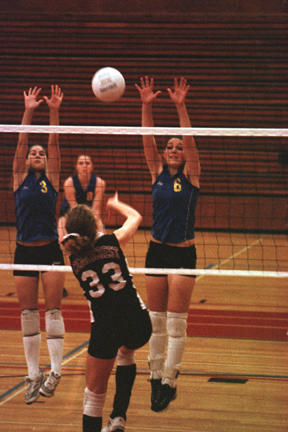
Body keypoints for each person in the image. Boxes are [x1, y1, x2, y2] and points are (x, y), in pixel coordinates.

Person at [135, 76, 200, 412]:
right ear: (164, 153)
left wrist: (179, 106)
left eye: (178, 147)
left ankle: (170, 380)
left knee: (176, 322)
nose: (175, 149)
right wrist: (147, 104)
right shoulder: (156, 172)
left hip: (183, 253)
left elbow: (190, 141)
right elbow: (147, 139)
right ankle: (154, 376)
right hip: (157, 250)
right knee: (156, 321)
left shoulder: (192, 175)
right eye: (170, 146)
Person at [61, 194, 152, 432]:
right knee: (126, 353)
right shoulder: (114, 241)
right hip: (139, 322)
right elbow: (136, 217)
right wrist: (114, 203)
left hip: (106, 328)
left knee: (93, 394)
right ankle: (118, 417)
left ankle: (113, 419)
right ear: (96, 225)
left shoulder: (74, 258)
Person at [13, 85, 65, 404]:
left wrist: (54, 110)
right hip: (23, 251)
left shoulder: (53, 178)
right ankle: (33, 375)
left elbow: (55, 142)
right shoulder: (18, 177)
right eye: (34, 152)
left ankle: (56, 371)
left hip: (50, 251)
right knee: (29, 313)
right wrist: (29, 110)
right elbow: (20, 142)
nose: (37, 154)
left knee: (54, 309)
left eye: (40, 154)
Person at [57, 154, 106, 297]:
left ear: (92, 166)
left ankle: (102, 278)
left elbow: (96, 210)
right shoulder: (69, 183)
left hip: (90, 217)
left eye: (87, 163)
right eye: (81, 163)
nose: (84, 166)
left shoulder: (99, 183)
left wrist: (97, 232)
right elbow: (73, 210)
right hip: (68, 217)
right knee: (61, 244)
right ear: (76, 167)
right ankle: (59, 285)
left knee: (102, 239)